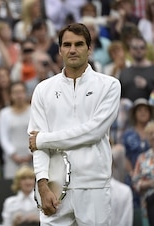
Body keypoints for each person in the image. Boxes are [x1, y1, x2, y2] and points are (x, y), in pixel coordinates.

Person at [28, 23, 121, 225]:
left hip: (94, 185)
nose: (72, 50)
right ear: (60, 49)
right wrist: (42, 186)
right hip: (54, 188)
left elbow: (93, 133)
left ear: (89, 49)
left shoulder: (110, 85)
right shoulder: (43, 90)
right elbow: (37, 148)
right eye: (67, 44)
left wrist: (43, 139)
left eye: (79, 44)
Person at [0, 81, 32, 179]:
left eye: (21, 92)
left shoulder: (33, 111)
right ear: (11, 95)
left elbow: (37, 133)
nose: (19, 96)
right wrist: (13, 154)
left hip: (31, 157)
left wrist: (30, 154)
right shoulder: (4, 114)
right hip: (12, 159)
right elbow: (3, 137)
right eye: (15, 93)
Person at [132, 120, 154, 226]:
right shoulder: (142, 158)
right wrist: (149, 184)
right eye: (150, 133)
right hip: (147, 205)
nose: (153, 136)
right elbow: (135, 182)